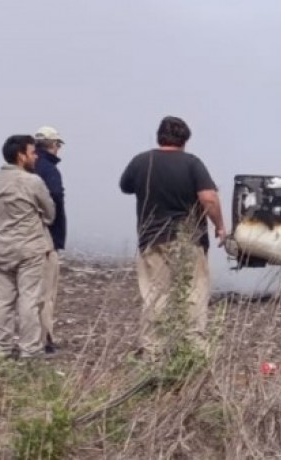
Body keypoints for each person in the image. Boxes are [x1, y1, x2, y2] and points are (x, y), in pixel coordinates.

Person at [119, 116, 226, 360]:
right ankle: (193, 351)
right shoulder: (192, 164)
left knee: (155, 294)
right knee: (193, 294)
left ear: (159, 137)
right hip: (188, 239)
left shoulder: (141, 161)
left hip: (151, 238)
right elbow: (208, 198)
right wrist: (219, 226)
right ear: (185, 140)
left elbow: (125, 186)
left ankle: (152, 352)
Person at [0, 134, 56, 359]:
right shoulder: (32, 181)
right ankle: (30, 350)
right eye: (32, 152)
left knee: (2, 300)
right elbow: (51, 212)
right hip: (28, 248)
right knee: (29, 299)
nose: (36, 156)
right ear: (21, 155)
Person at [33, 125, 66, 353]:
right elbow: (54, 197)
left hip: (23, 237)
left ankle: (34, 336)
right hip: (46, 238)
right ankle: (44, 338)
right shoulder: (49, 170)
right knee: (46, 291)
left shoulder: (27, 167)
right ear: (53, 145)